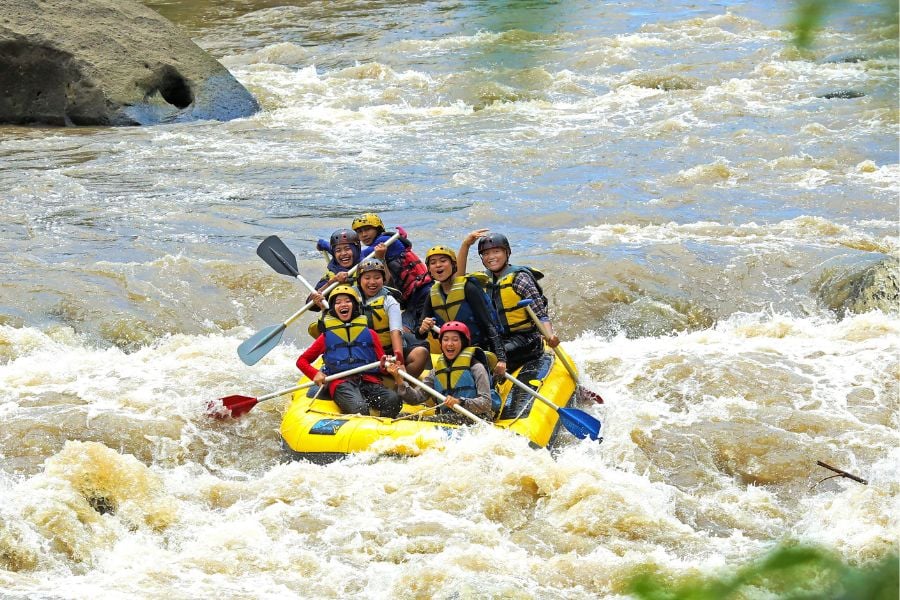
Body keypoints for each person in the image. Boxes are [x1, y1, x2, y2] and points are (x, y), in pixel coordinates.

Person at [457, 230, 559, 373]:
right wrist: (466, 244)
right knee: (467, 353)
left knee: (488, 356)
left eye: (496, 251)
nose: (491, 257)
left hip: (526, 339)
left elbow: (541, 315)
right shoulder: (482, 280)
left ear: (507, 253)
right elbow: (457, 280)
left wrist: (550, 336)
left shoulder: (520, 279)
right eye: (485, 254)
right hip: (496, 339)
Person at [296, 285, 401, 418]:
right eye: (338, 302)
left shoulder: (370, 334)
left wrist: (387, 366)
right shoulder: (326, 337)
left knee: (393, 400)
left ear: (355, 306)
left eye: (347, 301)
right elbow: (301, 361)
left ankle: (383, 426)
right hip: (341, 383)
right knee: (359, 408)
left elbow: (382, 365)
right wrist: (315, 374)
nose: (343, 304)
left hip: (369, 381)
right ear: (333, 309)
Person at [416, 244, 508, 377]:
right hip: (451, 353)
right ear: (429, 269)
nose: (438, 265)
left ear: (453, 265)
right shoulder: (432, 295)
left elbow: (489, 325)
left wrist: (501, 358)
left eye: (443, 261)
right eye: (433, 263)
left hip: (478, 350)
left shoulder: (469, 288)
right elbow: (420, 335)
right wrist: (422, 328)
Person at [387, 321, 493, 424]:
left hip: (476, 418)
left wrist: (460, 402)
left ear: (463, 343)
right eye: (445, 340)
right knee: (401, 417)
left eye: (455, 340)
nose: (450, 344)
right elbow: (416, 398)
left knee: (428, 421)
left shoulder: (476, 367)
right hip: (448, 417)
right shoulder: (436, 371)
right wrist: (399, 380)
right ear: (441, 344)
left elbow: (486, 403)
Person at [351, 213, 432, 333]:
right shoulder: (387, 242)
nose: (363, 235)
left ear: (378, 229)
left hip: (422, 293)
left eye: (367, 229)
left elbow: (358, 257)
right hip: (412, 298)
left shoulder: (385, 242)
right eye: (359, 232)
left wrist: (329, 247)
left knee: (402, 330)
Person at [354, 257, 430, 378]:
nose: (372, 282)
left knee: (421, 353)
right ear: (359, 280)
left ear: (383, 280)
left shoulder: (389, 300)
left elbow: (396, 332)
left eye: (377, 277)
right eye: (367, 278)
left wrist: (398, 359)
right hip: (363, 353)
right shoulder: (350, 299)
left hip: (389, 351)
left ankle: (400, 385)